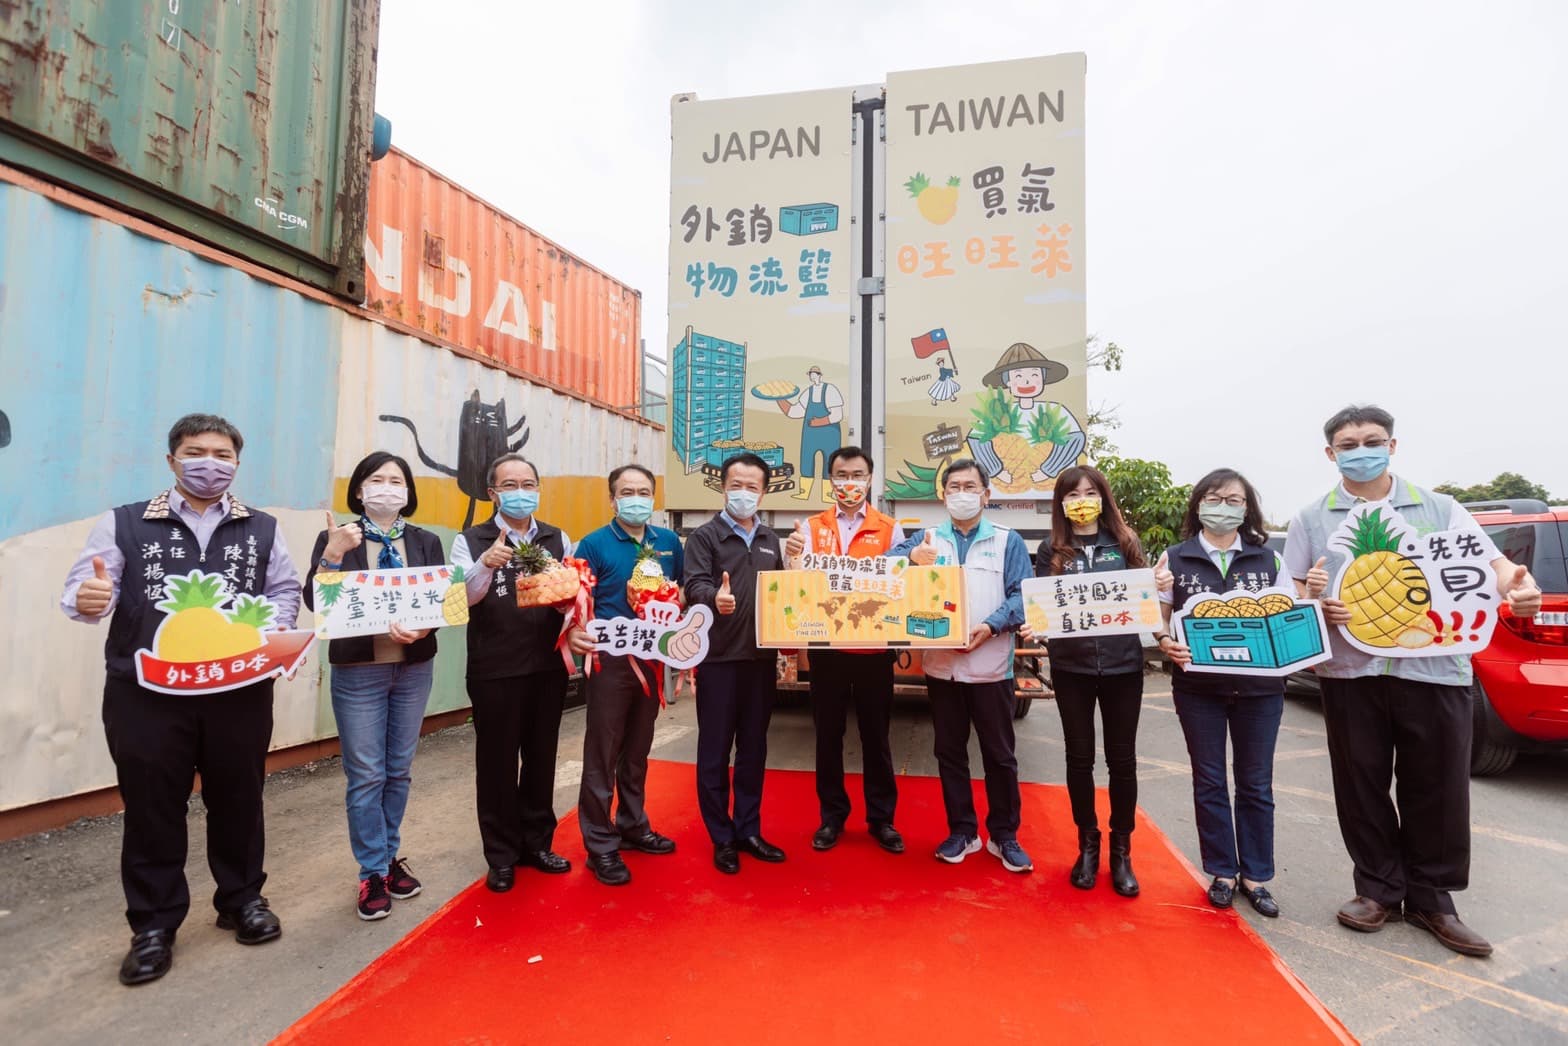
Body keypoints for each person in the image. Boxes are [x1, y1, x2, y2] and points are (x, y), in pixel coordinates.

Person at [1283, 405, 1540, 957]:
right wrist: (1315, 605)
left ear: (1392, 446)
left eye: (1372, 440)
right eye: (1347, 444)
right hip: (1351, 670)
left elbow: (1495, 568)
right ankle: (1376, 889)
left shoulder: (1440, 508)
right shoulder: (1312, 518)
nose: (1360, 450)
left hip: (1436, 669)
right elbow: (1293, 593)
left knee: (1439, 784)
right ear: (1331, 454)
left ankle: (1433, 897)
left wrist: (1520, 587)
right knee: (1361, 783)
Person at [59, 413, 301, 986]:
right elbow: (87, 589)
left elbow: (284, 589)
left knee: (239, 797)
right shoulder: (123, 523)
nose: (209, 463)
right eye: (196, 452)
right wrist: (90, 597)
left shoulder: (261, 528)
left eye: (222, 454)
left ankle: (241, 900)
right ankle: (154, 924)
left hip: (238, 689)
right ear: (171, 460)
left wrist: (272, 638)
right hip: (146, 694)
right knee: (151, 806)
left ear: (237, 463)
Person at [304, 452, 444, 920]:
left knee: (399, 769)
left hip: (412, 668)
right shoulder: (338, 537)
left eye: (397, 480)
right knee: (367, 774)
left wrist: (426, 629)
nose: (387, 487)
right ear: (360, 489)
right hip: (359, 671)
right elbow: (316, 602)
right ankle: (371, 872)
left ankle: (389, 857)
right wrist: (333, 553)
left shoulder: (426, 541)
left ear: (408, 491)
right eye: (377, 479)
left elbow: (444, 601)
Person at [1153, 469, 1289, 918]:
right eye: (1213, 498)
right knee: (1209, 780)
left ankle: (1256, 876)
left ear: (1247, 507)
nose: (1223, 506)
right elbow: (1160, 617)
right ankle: (1222, 872)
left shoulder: (1268, 560)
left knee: (1255, 783)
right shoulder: (1174, 558)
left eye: (1233, 499)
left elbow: (1287, 617)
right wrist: (1163, 640)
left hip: (1260, 690)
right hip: (1199, 689)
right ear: (1197, 505)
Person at [895, 459, 1033, 871]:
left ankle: (1005, 836)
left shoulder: (1008, 541)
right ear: (942, 495)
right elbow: (884, 573)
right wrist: (909, 560)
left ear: (986, 495)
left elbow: (1022, 595)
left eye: (970, 485)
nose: (961, 493)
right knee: (950, 752)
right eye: (953, 485)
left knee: (1000, 755)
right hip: (942, 668)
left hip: (991, 666)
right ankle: (963, 831)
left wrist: (990, 626)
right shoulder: (927, 539)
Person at [449, 454, 575, 894]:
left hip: (547, 665)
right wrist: (485, 564)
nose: (521, 491)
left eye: (529, 483)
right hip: (494, 669)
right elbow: (459, 600)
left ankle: (537, 844)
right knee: (497, 763)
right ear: (493, 493)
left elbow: (574, 600)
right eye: (510, 484)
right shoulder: (470, 540)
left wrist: (569, 601)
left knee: (541, 759)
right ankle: (501, 855)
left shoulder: (558, 538)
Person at [1021, 465, 1147, 896]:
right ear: (1061, 504)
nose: (1081, 501)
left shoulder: (1125, 543)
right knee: (1079, 760)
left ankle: (1122, 849)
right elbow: (1043, 611)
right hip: (1072, 669)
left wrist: (1157, 588)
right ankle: (1087, 843)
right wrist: (1034, 625)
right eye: (1072, 495)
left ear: (1103, 498)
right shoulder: (1051, 549)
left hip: (1124, 668)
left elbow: (1145, 601)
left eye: (1089, 492)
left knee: (1122, 761)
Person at [783, 446, 908, 854]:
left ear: (869, 480)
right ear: (830, 480)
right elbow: (795, 584)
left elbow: (901, 584)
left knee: (877, 737)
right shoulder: (810, 526)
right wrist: (790, 559)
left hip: (874, 650)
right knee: (828, 736)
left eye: (857, 474)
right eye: (841, 474)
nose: (849, 482)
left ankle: (881, 820)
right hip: (827, 649)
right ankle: (831, 817)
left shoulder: (890, 528)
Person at [566, 465, 686, 886]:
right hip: (609, 662)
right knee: (602, 753)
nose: (637, 498)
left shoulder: (667, 541)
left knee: (637, 750)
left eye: (644, 491)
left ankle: (633, 824)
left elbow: (681, 592)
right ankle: (600, 844)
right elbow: (578, 602)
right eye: (627, 491)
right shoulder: (594, 544)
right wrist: (577, 630)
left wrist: (675, 604)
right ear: (613, 498)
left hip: (652, 661)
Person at [682, 453, 787, 874]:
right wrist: (714, 599)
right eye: (736, 485)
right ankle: (721, 836)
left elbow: (783, 593)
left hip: (759, 661)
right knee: (714, 751)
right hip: (718, 660)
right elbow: (694, 584)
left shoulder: (771, 539)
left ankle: (748, 829)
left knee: (753, 751)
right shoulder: (704, 537)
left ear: (763, 491)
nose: (743, 493)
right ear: (723, 487)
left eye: (752, 486)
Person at [778, 365, 844, 502]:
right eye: (810, 374)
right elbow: (795, 411)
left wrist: (819, 422)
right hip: (810, 435)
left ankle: (827, 495)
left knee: (830, 463)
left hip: (829, 435)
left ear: (820, 375)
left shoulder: (830, 390)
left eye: (814, 374)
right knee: (806, 461)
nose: (812, 376)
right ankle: (804, 492)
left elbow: (837, 415)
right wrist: (779, 399)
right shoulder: (808, 392)